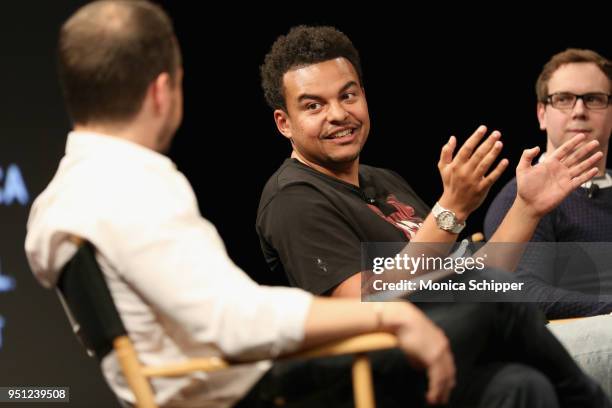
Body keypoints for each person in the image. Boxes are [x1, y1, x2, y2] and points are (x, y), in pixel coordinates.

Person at [25, 1, 469, 407]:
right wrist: (389, 315)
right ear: (164, 91)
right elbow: (233, 321)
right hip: (251, 394)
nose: (337, 114)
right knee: (488, 311)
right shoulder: (131, 186)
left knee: (511, 378)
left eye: (348, 95)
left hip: (222, 383)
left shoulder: (61, 199)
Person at [256, 25, 611, 407]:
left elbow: (479, 283)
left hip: (440, 350)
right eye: (314, 106)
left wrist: (527, 207)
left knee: (522, 386)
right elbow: (366, 302)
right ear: (284, 123)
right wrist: (451, 210)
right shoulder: (293, 199)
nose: (339, 114)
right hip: (365, 365)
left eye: (348, 95)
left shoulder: (384, 181)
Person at [485, 48, 612, 396]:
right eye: (564, 99)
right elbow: (525, 292)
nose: (580, 111)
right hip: (568, 339)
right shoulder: (525, 199)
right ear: (542, 113)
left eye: (594, 99)